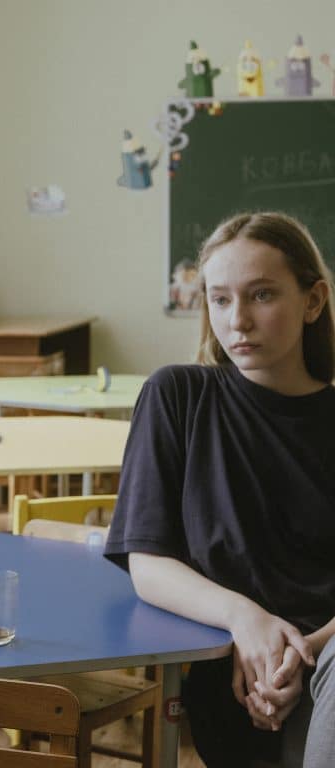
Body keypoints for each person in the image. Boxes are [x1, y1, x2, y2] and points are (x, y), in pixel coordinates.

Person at [104, 211, 335, 767]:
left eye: (261, 295)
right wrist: (245, 621)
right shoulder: (177, 396)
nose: (239, 321)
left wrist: (306, 651)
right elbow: (149, 562)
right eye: (221, 299)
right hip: (225, 670)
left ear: (313, 300)